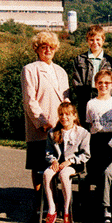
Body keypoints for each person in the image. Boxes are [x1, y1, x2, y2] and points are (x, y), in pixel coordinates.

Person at [21, 30, 70, 212]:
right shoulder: (30, 69)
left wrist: (68, 122)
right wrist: (42, 122)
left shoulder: (61, 71)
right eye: (43, 47)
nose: (48, 50)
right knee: (38, 166)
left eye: (51, 47)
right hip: (40, 127)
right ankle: (40, 204)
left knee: (57, 164)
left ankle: (56, 203)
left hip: (59, 126)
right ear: (37, 49)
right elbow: (29, 100)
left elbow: (66, 99)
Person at [42, 101, 90, 223]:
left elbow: (85, 154)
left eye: (67, 114)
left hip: (74, 164)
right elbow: (48, 152)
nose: (64, 117)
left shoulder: (83, 133)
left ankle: (67, 209)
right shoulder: (52, 132)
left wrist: (70, 161)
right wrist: (53, 160)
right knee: (47, 174)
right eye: (61, 114)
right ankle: (52, 208)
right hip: (58, 163)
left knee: (64, 175)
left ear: (74, 116)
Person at [85, 69, 112, 193]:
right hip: (97, 140)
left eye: (107, 83)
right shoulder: (91, 103)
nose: (103, 85)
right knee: (97, 169)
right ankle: (99, 195)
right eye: (100, 82)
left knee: (110, 169)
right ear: (96, 84)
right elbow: (90, 122)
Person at [72, 24, 112, 126]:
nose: (95, 42)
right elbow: (76, 82)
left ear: (103, 40)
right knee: (86, 127)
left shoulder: (110, 61)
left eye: (98, 39)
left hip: (105, 98)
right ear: (87, 40)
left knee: (103, 126)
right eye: (91, 40)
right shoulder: (79, 59)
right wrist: (84, 96)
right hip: (86, 98)